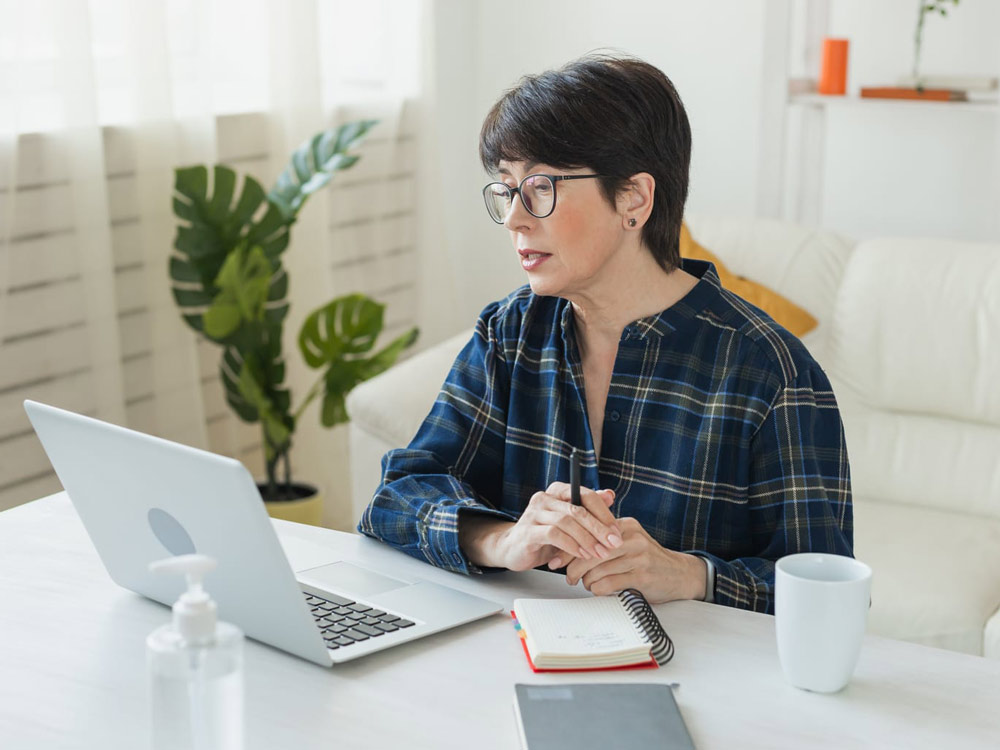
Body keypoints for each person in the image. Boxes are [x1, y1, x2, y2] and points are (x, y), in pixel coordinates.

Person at [358, 54, 852, 614]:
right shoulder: (511, 333)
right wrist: (503, 540)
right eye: (506, 189)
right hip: (512, 661)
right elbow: (396, 496)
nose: (517, 218)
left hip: (700, 680)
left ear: (634, 199)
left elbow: (830, 596)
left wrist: (691, 574)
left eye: (540, 187)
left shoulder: (769, 371)